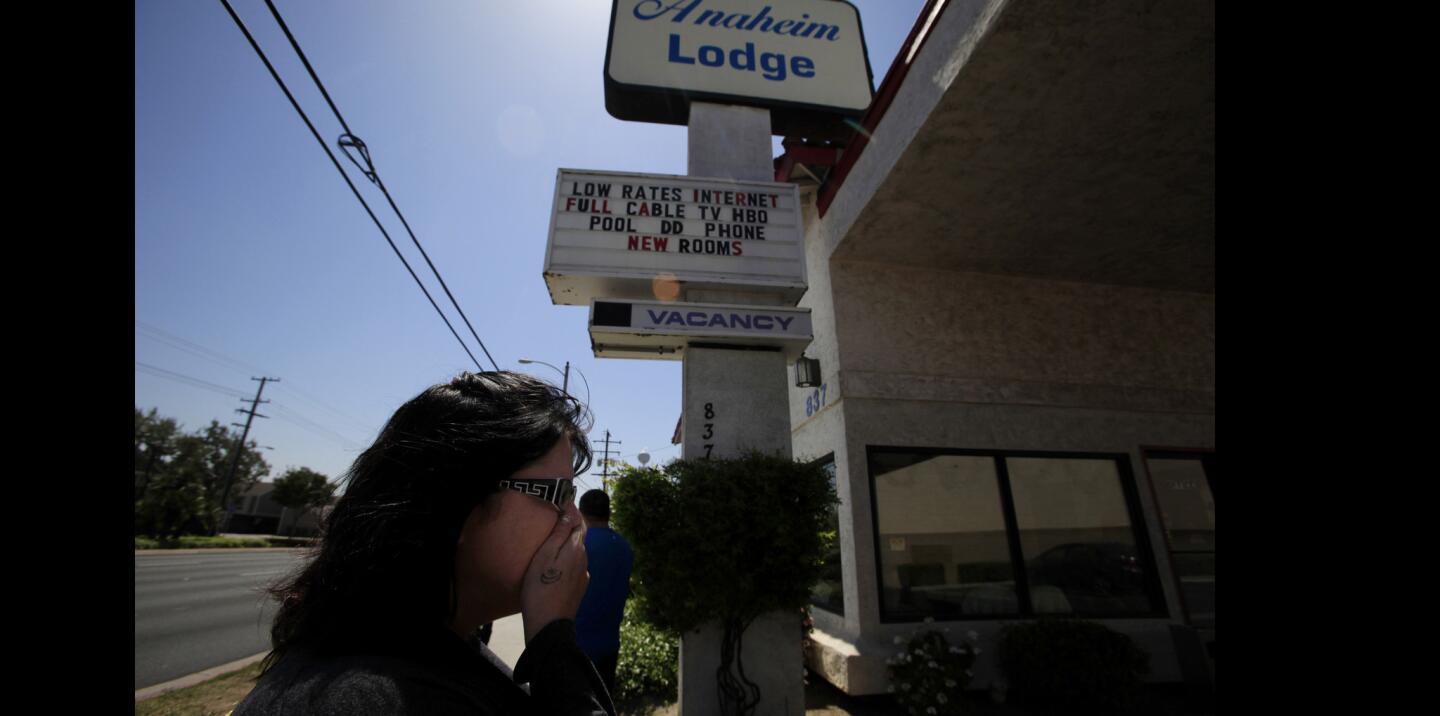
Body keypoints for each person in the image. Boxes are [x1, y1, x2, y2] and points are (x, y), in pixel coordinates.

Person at [233, 372, 615, 716]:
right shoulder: (369, 699)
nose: (573, 519)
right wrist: (555, 643)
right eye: (557, 493)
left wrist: (553, 641)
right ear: (455, 501)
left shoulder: (420, 657)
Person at [573, 489, 634, 697]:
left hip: (575, 646)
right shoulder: (625, 547)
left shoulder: (578, 545)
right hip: (609, 644)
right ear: (608, 513)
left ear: (581, 513)